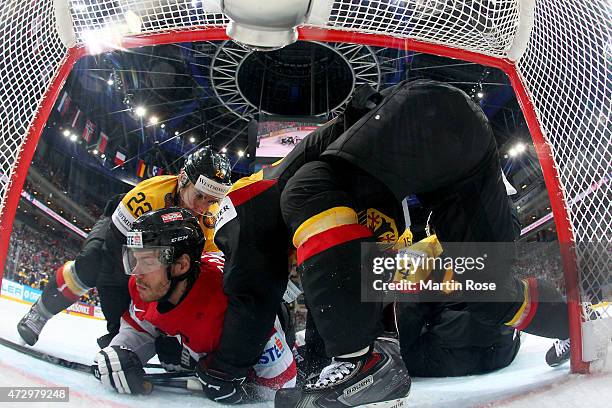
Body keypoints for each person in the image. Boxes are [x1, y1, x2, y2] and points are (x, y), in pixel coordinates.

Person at [200, 80, 570, 407]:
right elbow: (351, 287)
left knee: (306, 188)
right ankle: (579, 326)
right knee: (487, 289)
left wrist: (226, 372)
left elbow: (252, 298)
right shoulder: (345, 211)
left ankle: (361, 363)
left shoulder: (245, 207)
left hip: (428, 112)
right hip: (463, 150)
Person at [17, 147, 232, 347]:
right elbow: (112, 260)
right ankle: (42, 311)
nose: (203, 207)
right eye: (199, 196)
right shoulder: (147, 198)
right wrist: (116, 323)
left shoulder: (210, 219)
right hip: (121, 233)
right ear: (183, 179)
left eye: (211, 201)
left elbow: (201, 273)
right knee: (92, 263)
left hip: (155, 247)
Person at [95, 207, 296, 402]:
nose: (136, 273)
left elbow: (283, 383)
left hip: (274, 320)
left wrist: (244, 394)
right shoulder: (147, 286)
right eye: (133, 259)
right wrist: (122, 350)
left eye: (147, 262)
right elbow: (141, 326)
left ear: (182, 265)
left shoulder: (233, 306)